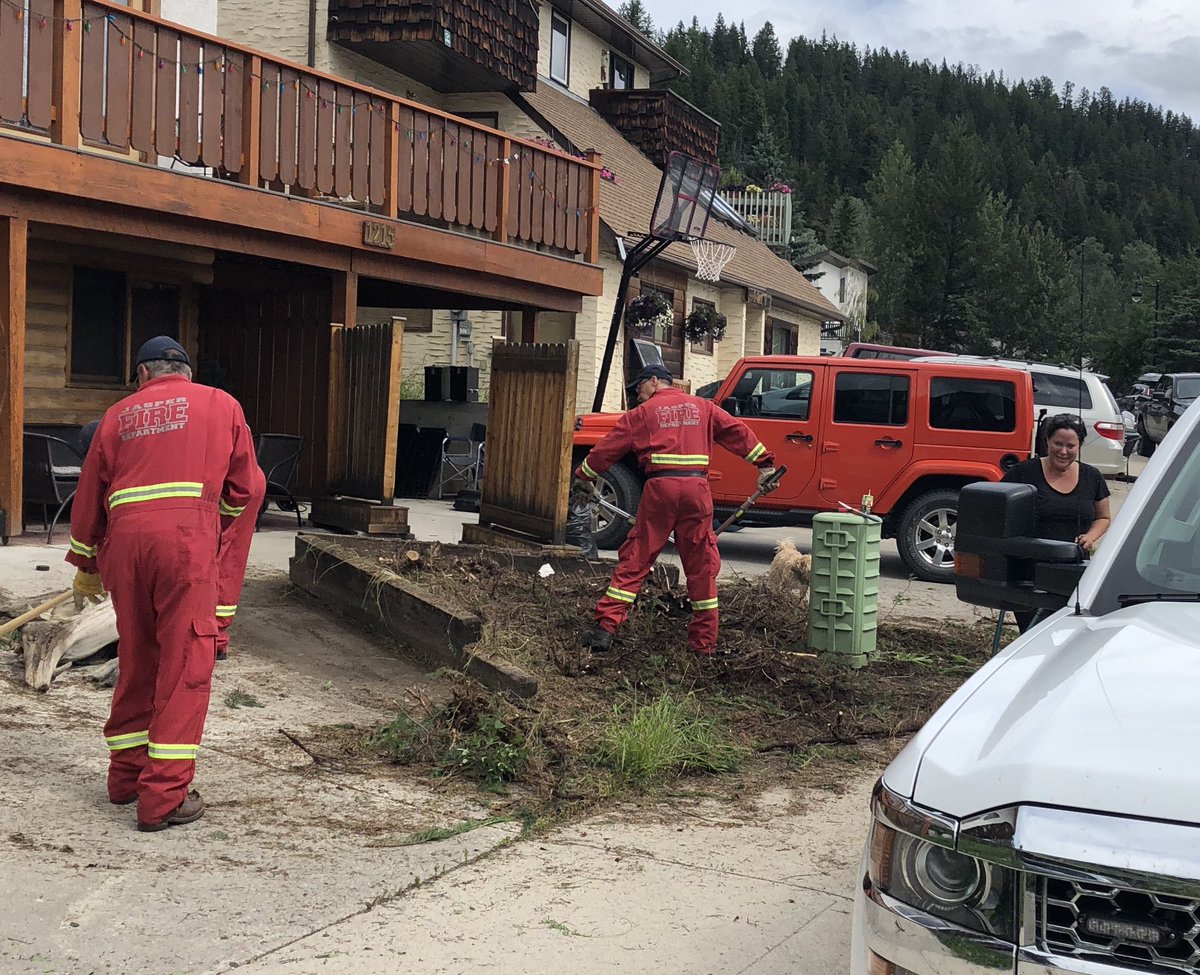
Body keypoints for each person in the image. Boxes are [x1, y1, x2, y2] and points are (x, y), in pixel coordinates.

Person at [66, 336, 264, 832]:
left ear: (142, 375)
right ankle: (164, 799)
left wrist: (86, 562)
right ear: (187, 373)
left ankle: (126, 779)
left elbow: (90, 492)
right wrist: (213, 525)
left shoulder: (117, 416)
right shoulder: (221, 404)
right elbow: (248, 489)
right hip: (183, 546)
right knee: (184, 666)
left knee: (137, 658)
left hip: (125, 550)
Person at [573, 364, 778, 656]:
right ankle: (704, 644)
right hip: (697, 492)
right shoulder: (702, 407)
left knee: (637, 558)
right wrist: (765, 464)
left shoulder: (641, 415)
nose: (637, 397)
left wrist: (584, 476)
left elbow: (607, 448)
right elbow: (736, 431)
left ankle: (605, 630)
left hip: (661, 490)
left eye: (638, 389)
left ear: (655, 381)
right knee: (701, 567)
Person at [1002, 412, 1112, 631]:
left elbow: (1104, 517)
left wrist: (1090, 537)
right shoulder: (1023, 473)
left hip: (1074, 574)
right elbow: (996, 507)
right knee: (1034, 633)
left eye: (1070, 446)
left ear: (1079, 445)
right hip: (1029, 575)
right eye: (1058, 444)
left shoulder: (1092, 477)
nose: (1063, 451)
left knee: (1067, 636)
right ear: (1047, 442)